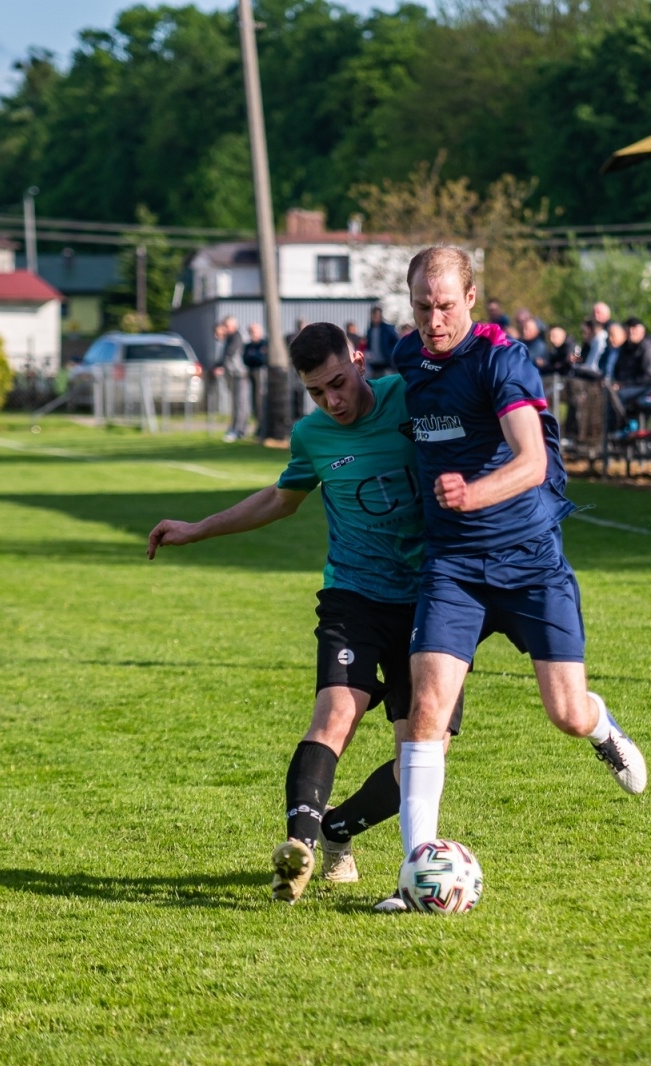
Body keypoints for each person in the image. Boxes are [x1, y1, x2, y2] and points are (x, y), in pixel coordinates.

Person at [146, 323, 461, 905]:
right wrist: (198, 530)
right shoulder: (312, 436)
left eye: (338, 383)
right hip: (354, 596)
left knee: (427, 749)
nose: (332, 402)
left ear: (359, 359)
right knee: (335, 712)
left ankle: (336, 830)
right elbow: (278, 500)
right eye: (318, 393)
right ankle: (299, 850)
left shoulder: (410, 397)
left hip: (433, 599)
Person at [391, 246, 647, 909]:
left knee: (566, 711)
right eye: (423, 306)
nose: (434, 319)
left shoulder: (502, 359)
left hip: (530, 560)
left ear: (471, 299)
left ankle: (603, 730)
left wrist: (473, 494)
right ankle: (415, 872)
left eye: (446, 305)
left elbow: (532, 461)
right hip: (453, 566)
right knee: (426, 713)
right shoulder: (407, 362)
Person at [218, 316, 250, 442]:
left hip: (240, 374)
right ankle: (234, 428)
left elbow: (230, 353)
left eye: (226, 326)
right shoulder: (229, 338)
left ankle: (240, 430)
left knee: (240, 403)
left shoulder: (236, 336)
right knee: (235, 404)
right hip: (233, 374)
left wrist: (220, 365)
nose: (225, 329)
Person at [242, 322, 268, 438]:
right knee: (254, 403)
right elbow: (245, 359)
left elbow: (261, 359)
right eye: (250, 332)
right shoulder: (248, 346)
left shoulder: (264, 344)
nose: (252, 334)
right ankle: (258, 426)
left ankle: (263, 428)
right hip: (251, 374)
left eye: (254, 331)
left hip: (261, 375)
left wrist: (253, 357)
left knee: (260, 402)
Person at [365, 305, 399, 377]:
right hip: (374, 364)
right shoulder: (370, 330)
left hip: (386, 364)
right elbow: (368, 345)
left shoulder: (387, 329)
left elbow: (396, 342)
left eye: (377, 315)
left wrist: (391, 354)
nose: (375, 317)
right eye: (374, 315)